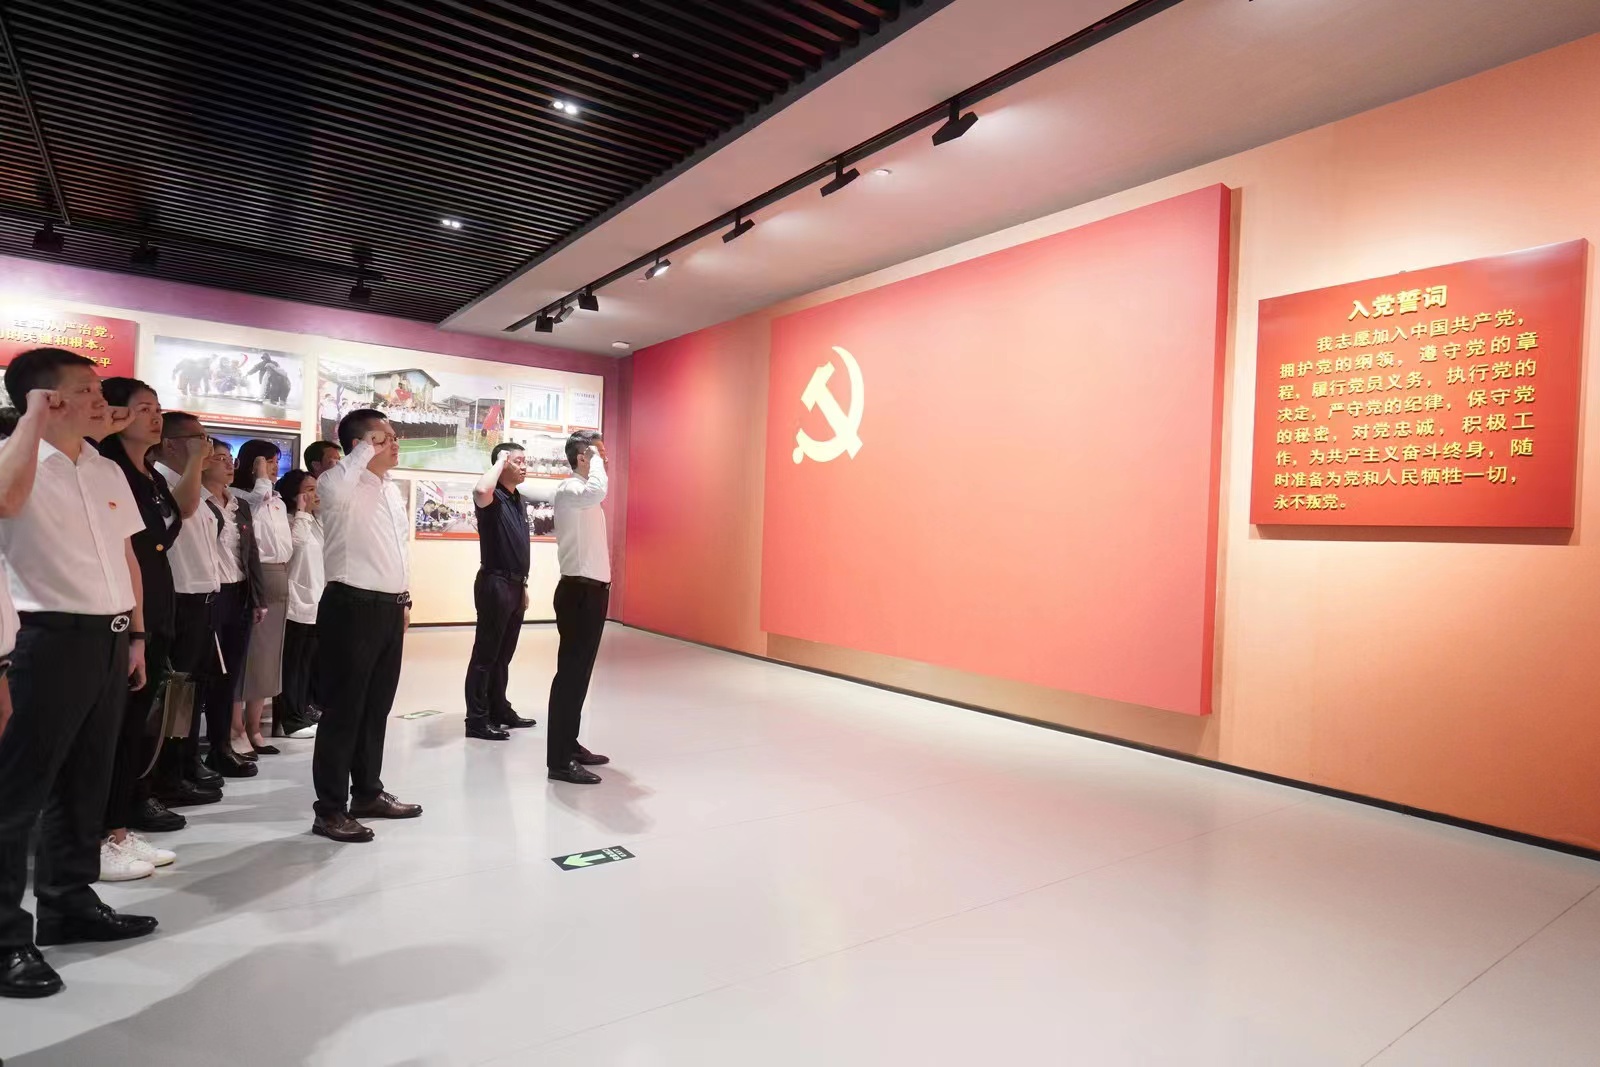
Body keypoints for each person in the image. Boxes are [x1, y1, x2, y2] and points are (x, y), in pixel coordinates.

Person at [0, 348, 156, 1000]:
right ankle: (5, 937)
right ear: (48, 398)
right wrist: (30, 420)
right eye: (87, 390)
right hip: (43, 640)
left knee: (85, 781)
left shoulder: (101, 466)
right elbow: (4, 502)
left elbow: (125, 555)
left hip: (107, 637)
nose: (102, 401)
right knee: (17, 794)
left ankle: (67, 901)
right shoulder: (15, 458)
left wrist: (136, 633)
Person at [310, 409, 420, 843]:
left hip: (388, 608)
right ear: (360, 445)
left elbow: (398, 551)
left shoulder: (389, 489)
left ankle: (368, 793)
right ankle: (330, 810)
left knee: (376, 708)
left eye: (393, 437)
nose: (394, 443)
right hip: (351, 606)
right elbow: (336, 489)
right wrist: (361, 451)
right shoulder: (336, 483)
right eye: (382, 437)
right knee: (344, 711)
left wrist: (404, 598)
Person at [94, 379, 185, 880]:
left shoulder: (149, 475)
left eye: (157, 409)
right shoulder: (105, 468)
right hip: (121, 610)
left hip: (154, 603)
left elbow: (164, 535)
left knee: (135, 726)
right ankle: (103, 833)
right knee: (113, 730)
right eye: (143, 408)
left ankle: (119, 827)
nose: (154, 418)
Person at [149, 412, 223, 808]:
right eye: (199, 439)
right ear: (171, 443)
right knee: (172, 694)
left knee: (190, 693)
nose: (207, 446)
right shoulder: (163, 483)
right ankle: (164, 777)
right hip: (178, 601)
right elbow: (184, 511)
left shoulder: (191, 483)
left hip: (202, 601)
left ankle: (182, 767)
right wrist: (196, 461)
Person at [546, 431, 612, 785]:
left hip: (593, 593)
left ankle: (569, 745)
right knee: (570, 677)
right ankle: (559, 761)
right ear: (583, 457)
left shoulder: (584, 495)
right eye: (599, 453)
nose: (606, 459)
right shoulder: (571, 490)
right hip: (578, 593)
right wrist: (596, 460)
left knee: (581, 676)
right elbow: (598, 489)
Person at [464, 443, 538, 741]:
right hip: (495, 583)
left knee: (503, 656)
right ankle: (476, 720)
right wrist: (499, 461)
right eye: (517, 461)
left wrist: (523, 587)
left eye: (525, 460)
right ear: (503, 462)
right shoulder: (491, 497)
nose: (524, 466)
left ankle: (499, 709)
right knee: (485, 656)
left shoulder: (517, 499)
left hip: (515, 585)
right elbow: (481, 489)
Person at [201, 441, 265, 778]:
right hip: (210, 595)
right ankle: (199, 750)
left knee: (230, 676)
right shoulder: (196, 502)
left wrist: (257, 597)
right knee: (206, 675)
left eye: (231, 459)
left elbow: (250, 553)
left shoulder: (239, 504)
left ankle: (222, 746)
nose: (229, 465)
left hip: (239, 593)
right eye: (220, 458)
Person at [231, 440, 292, 757]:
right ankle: (235, 728)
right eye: (267, 461)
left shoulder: (277, 501)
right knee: (247, 657)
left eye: (275, 462)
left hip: (280, 574)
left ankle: (254, 727)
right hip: (256, 575)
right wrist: (260, 477)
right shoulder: (240, 496)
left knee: (268, 658)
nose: (273, 468)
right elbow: (255, 501)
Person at [275, 469, 323, 739]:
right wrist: (303, 512)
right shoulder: (291, 521)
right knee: (291, 665)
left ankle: (302, 712)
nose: (317, 494)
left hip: (314, 603)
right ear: (295, 495)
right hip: (295, 603)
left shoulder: (315, 521)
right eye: (310, 490)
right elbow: (295, 548)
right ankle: (289, 720)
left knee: (306, 663)